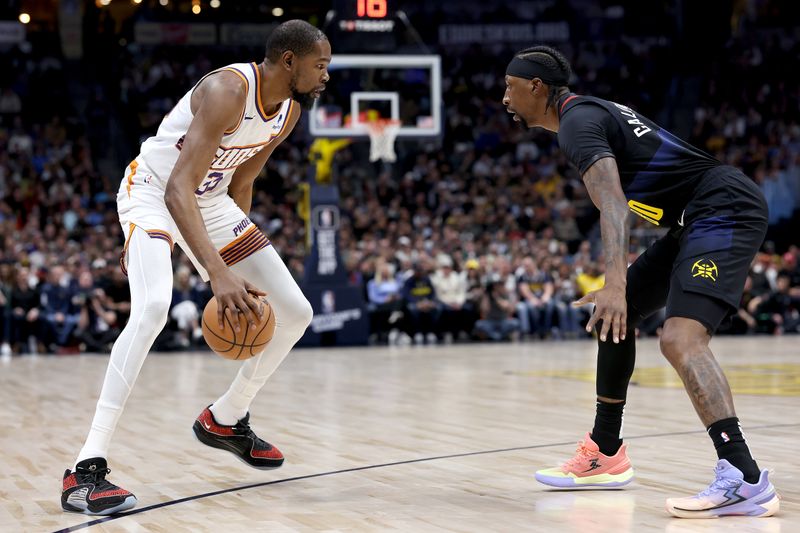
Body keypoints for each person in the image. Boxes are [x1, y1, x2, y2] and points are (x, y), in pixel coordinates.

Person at [61, 20, 330, 515]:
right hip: (154, 193)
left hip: (211, 202)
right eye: (320, 64)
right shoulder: (228, 90)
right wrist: (217, 274)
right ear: (289, 61)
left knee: (294, 310)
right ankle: (85, 469)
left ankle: (226, 418)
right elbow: (176, 189)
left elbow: (241, 180)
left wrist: (236, 261)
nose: (326, 75)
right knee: (153, 308)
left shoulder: (288, 111)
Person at [503, 45, 779, 518]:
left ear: (536, 88)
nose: (504, 97)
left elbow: (611, 204)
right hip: (696, 218)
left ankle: (744, 477)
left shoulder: (575, 123)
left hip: (722, 207)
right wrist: (616, 295)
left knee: (679, 338)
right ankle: (606, 452)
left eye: (509, 87)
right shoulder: (584, 116)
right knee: (614, 318)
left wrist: (614, 284)